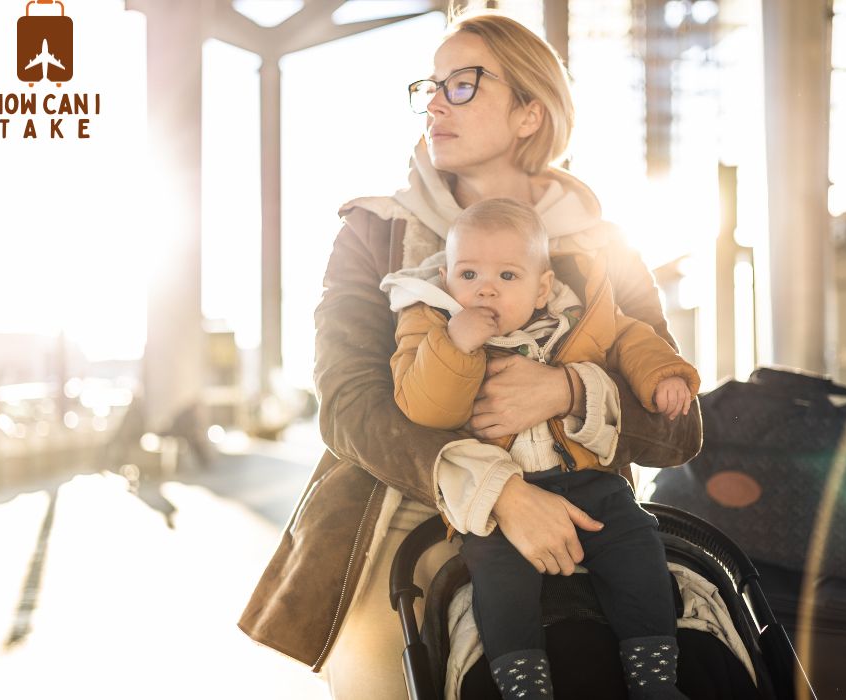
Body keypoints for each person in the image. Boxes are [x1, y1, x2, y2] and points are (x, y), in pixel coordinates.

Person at [237, 10, 703, 699]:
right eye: (430, 85)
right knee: (380, 674)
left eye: (462, 85)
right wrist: (500, 494)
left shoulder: (604, 245)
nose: (433, 101)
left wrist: (569, 391)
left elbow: (679, 428)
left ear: (528, 115)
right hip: (399, 504)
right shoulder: (376, 231)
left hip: (579, 505)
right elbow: (346, 406)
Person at [382, 198, 700, 699]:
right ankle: (524, 685)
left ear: (542, 287)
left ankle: (654, 676)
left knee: (637, 543)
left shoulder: (581, 311)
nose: (485, 287)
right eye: (468, 274)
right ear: (446, 279)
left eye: (508, 276)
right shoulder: (431, 323)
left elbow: (632, 340)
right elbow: (424, 408)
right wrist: (454, 345)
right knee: (498, 578)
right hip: (498, 494)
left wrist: (664, 376)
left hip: (589, 479)